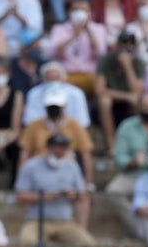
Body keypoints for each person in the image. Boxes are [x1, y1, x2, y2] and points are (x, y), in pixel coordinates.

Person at [18, 85, 94, 225]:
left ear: (63, 107)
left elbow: (85, 152)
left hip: (68, 168)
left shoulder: (74, 125)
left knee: (82, 194)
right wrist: (22, 176)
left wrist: (88, 181)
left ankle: (80, 228)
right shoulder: (34, 125)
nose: (54, 110)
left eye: (57, 107)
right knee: (27, 193)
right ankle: (33, 224)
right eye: (51, 107)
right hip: (39, 168)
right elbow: (25, 152)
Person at [14, 133, 95, 245]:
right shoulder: (31, 166)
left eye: (64, 148)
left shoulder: (72, 166)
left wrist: (73, 195)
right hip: (37, 221)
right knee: (28, 242)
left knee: (87, 243)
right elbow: (20, 196)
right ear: (48, 147)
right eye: (58, 147)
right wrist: (45, 197)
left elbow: (83, 196)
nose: (60, 151)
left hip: (65, 222)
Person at [94, 30, 146, 155]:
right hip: (110, 104)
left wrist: (128, 67)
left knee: (137, 102)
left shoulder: (139, 63)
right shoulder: (106, 60)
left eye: (130, 43)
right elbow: (99, 90)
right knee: (104, 101)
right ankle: (111, 146)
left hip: (129, 106)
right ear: (117, 45)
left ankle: (136, 145)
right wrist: (126, 96)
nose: (127, 47)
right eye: (124, 43)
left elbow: (137, 90)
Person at [46, 0, 107, 95]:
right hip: (66, 74)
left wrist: (88, 30)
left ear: (90, 13)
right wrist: (73, 35)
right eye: (76, 9)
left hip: (90, 74)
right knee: (53, 84)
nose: (80, 13)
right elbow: (53, 53)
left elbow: (101, 53)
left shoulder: (99, 29)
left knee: (101, 84)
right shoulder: (59, 28)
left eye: (84, 10)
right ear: (69, 12)